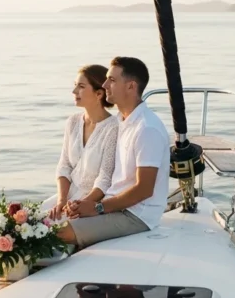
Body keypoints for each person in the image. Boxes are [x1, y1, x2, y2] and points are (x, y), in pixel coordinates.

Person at [58, 56, 171, 249]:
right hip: (115, 205)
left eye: (111, 80)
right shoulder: (122, 121)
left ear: (130, 86)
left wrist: (98, 208)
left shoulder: (146, 128)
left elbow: (144, 189)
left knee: (60, 232)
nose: (104, 84)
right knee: (44, 221)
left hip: (136, 215)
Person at [43, 65, 119, 219]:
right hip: (66, 197)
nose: (74, 91)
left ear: (99, 93)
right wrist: (61, 200)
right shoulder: (73, 122)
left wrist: (80, 206)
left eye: (81, 86)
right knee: (30, 221)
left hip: (93, 203)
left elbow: (105, 180)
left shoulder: (113, 128)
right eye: (75, 85)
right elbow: (64, 167)